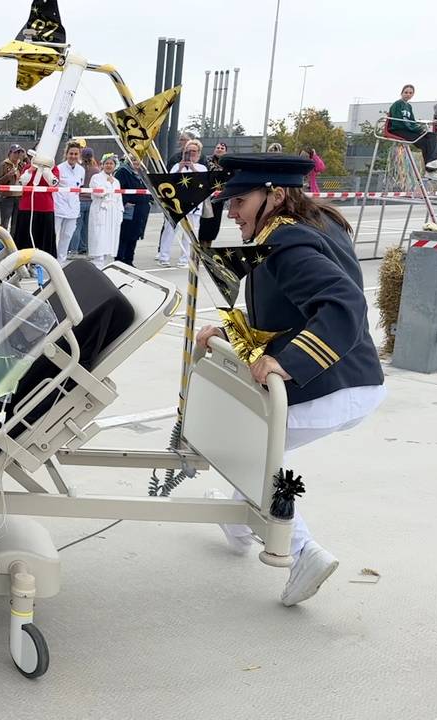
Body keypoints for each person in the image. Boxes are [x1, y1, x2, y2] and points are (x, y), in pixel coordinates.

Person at [197, 153, 385, 606]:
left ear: (277, 195)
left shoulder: (285, 241)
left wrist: (292, 362)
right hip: (350, 377)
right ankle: (238, 525)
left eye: (240, 201)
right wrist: (233, 331)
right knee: (251, 449)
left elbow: (343, 305)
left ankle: (302, 552)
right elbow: (286, 310)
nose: (232, 213)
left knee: (247, 446)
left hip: (332, 383)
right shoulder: (311, 224)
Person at [156, 138, 207, 268]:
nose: (191, 154)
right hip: (176, 204)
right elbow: (168, 183)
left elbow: (204, 183)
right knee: (169, 231)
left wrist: (192, 167)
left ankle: (184, 259)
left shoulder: (202, 168)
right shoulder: (176, 166)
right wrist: (180, 168)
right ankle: (163, 257)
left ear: (199, 153)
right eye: (188, 151)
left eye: (194, 151)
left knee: (189, 234)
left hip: (194, 205)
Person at [387, 84, 437, 172]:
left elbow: (412, 121)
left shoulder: (409, 106)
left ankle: (432, 163)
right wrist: (415, 129)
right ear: (402, 93)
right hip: (398, 129)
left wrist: (419, 128)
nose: (408, 94)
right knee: (424, 143)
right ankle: (430, 169)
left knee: (431, 135)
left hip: (408, 129)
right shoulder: (397, 104)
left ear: (413, 94)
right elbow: (398, 121)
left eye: (410, 93)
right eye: (406, 92)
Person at [87, 154, 123, 268]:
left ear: (115, 166)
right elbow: (99, 192)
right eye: (107, 163)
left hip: (113, 212)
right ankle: (97, 266)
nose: (109, 165)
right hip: (100, 210)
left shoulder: (116, 181)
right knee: (99, 238)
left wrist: (120, 213)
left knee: (110, 240)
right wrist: (108, 184)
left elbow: (119, 198)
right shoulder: (96, 177)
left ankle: (106, 266)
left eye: (111, 163)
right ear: (102, 164)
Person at [12, 163, 56, 256]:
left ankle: (44, 262)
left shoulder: (54, 168)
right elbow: (21, 183)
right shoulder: (28, 167)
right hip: (27, 207)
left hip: (45, 208)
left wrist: (46, 171)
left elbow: (54, 184)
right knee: (24, 239)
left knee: (44, 241)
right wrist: (30, 171)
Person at [52, 142, 85, 262]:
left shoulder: (81, 170)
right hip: (58, 207)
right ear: (66, 154)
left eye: (76, 154)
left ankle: (61, 260)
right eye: (71, 153)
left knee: (67, 236)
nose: (73, 156)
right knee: (53, 234)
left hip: (73, 209)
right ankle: (51, 260)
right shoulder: (59, 168)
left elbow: (79, 186)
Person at [115, 152, 150, 266]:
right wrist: (125, 201)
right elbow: (118, 189)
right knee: (125, 235)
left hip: (141, 209)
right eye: (133, 160)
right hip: (129, 209)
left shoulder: (142, 173)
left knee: (135, 235)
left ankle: (129, 260)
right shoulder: (122, 172)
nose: (136, 162)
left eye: (138, 160)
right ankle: (120, 259)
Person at [69, 146, 99, 256]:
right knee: (86, 227)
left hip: (79, 200)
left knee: (76, 227)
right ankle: (84, 248)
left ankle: (73, 249)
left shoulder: (79, 169)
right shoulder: (96, 170)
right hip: (90, 201)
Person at [198, 142, 229, 244]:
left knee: (215, 223)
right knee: (205, 222)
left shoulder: (228, 164)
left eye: (222, 148)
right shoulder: (206, 161)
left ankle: (209, 245)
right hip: (206, 196)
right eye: (218, 148)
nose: (219, 149)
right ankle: (201, 245)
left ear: (225, 151)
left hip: (219, 197)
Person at [0, 145, 27, 231]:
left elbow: (30, 168)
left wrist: (25, 157)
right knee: (4, 223)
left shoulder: (21, 165)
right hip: (7, 197)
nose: (17, 155)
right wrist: (8, 176)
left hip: (19, 197)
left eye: (19, 153)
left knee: (16, 224)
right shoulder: (4, 164)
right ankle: (3, 238)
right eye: (15, 152)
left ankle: (13, 239)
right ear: (10, 153)